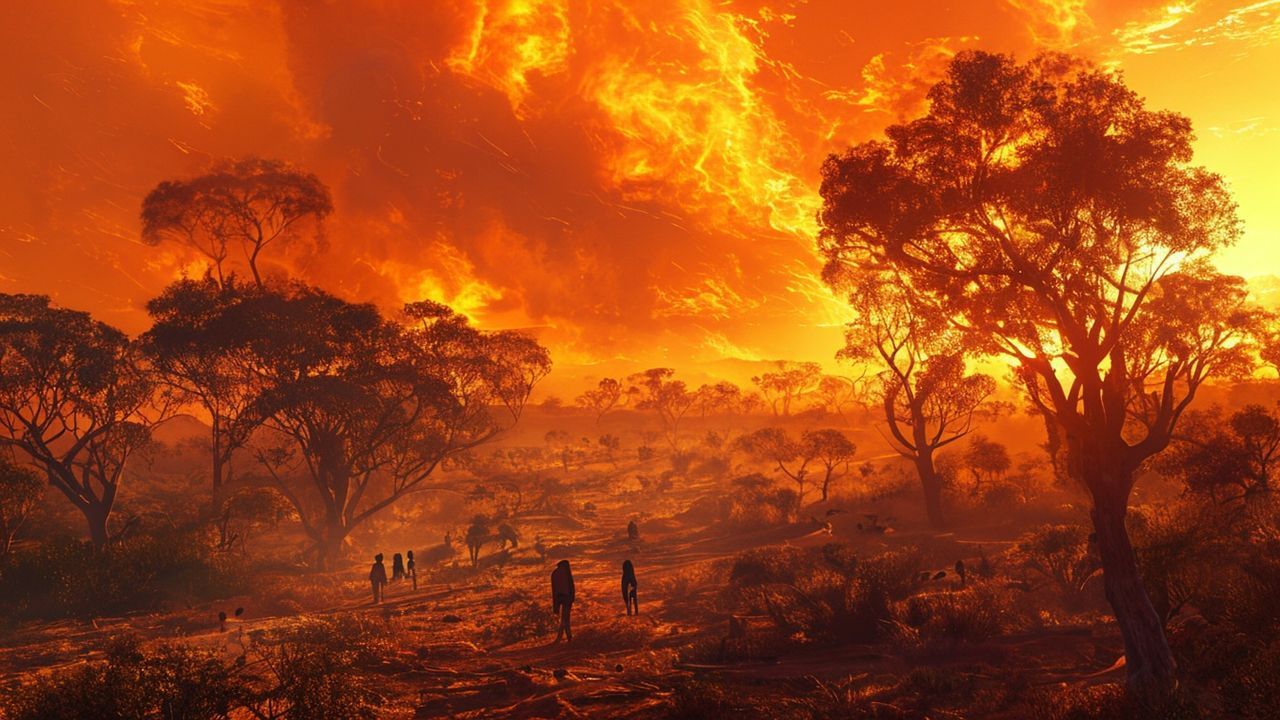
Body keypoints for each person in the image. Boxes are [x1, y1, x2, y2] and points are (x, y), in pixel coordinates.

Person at [551, 560, 575, 643]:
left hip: (560, 597)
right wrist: (572, 598)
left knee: (564, 619)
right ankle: (567, 638)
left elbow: (554, 590)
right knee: (565, 619)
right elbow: (571, 586)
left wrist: (556, 606)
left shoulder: (554, 573)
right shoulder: (566, 572)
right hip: (567, 598)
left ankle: (562, 637)